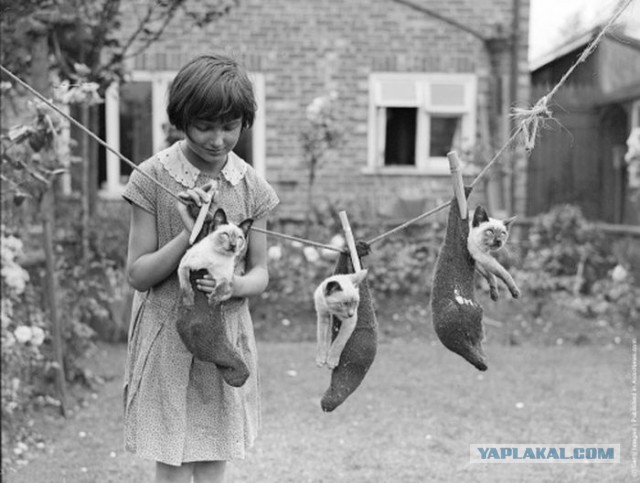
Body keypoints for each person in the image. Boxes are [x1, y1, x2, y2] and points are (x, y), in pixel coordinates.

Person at [122, 54, 279, 483]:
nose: (217, 139)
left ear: (244, 122)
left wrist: (236, 286)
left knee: (213, 454)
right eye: (205, 126)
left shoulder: (252, 187)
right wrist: (188, 236)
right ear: (181, 120)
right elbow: (137, 275)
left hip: (224, 336)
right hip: (167, 333)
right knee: (172, 459)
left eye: (229, 127)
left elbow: (261, 272)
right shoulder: (152, 177)